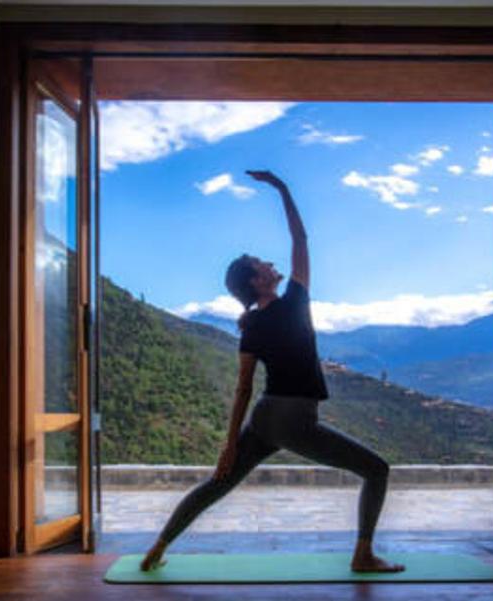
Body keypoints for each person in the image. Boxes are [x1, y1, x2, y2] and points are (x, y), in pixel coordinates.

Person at [140, 170, 404, 573]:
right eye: (260, 262)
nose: (269, 261)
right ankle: (363, 555)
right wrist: (283, 189)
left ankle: (157, 548)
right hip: (294, 420)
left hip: (265, 418)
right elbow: (300, 240)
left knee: (219, 483)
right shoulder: (295, 300)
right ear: (256, 280)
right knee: (377, 470)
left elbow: (243, 391)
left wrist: (230, 445)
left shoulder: (251, 327)